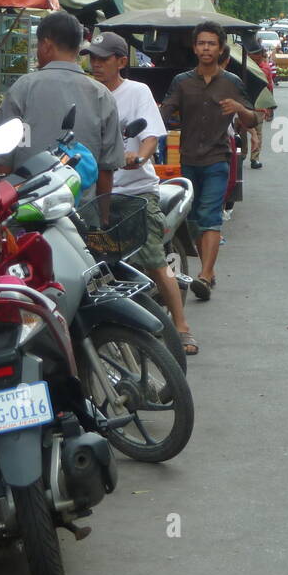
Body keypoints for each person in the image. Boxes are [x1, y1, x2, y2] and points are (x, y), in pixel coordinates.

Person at [83, 32, 197, 355]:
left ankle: (181, 324)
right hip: (93, 194)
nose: (96, 65)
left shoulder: (137, 91)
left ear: (121, 61)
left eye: (103, 59)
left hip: (135, 193)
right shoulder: (85, 92)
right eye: (92, 58)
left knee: (155, 261)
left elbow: (150, 136)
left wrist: (141, 156)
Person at [158, 21, 257, 300]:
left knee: (210, 216)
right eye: (201, 43)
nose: (206, 48)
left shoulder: (233, 83)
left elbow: (253, 118)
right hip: (188, 160)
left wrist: (239, 108)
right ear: (194, 47)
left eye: (211, 43)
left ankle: (203, 274)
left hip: (217, 160)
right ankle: (209, 274)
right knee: (193, 222)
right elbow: (165, 113)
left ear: (221, 48)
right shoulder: (182, 82)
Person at [0, 11, 123, 225]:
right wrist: (103, 218)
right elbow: (106, 169)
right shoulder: (101, 94)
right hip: (81, 214)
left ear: (46, 45)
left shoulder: (24, 88)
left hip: (26, 209)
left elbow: (3, 160)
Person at [247, 45, 276, 170]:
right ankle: (243, 154)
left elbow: (269, 87)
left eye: (252, 54)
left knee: (257, 132)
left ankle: (254, 158)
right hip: (245, 104)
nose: (250, 56)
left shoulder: (263, 68)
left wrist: (270, 106)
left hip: (258, 105)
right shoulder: (246, 66)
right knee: (243, 131)